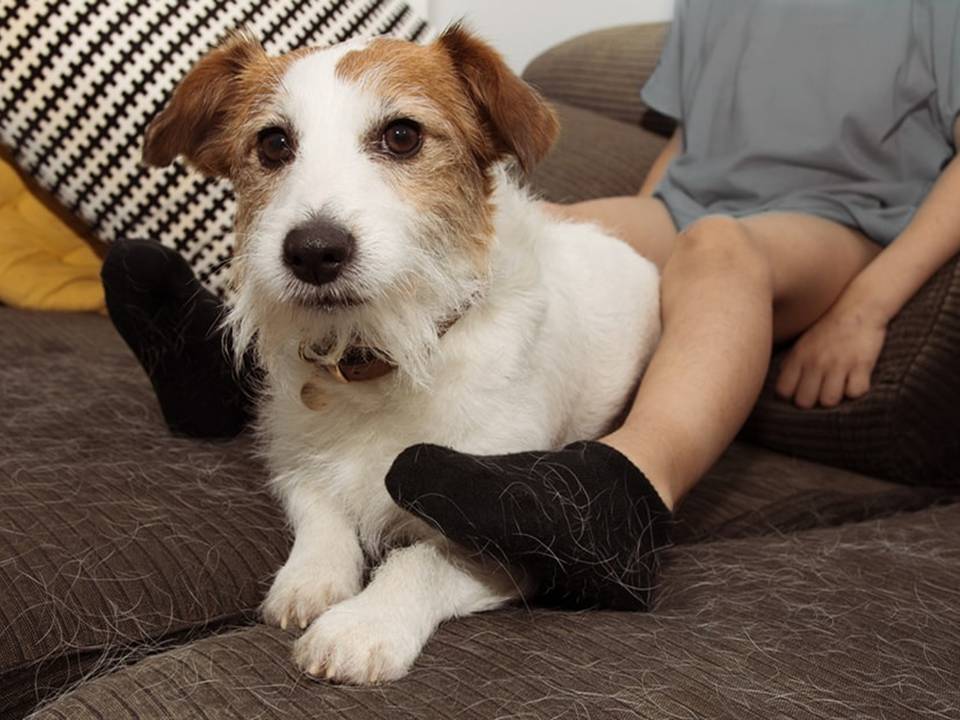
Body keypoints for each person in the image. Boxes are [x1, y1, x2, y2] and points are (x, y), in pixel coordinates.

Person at [105, 0, 960, 610]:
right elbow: (696, 141)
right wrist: (628, 226)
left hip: (844, 217)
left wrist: (870, 303)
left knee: (716, 248)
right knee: (544, 231)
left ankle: (630, 485)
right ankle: (241, 361)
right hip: (692, 199)